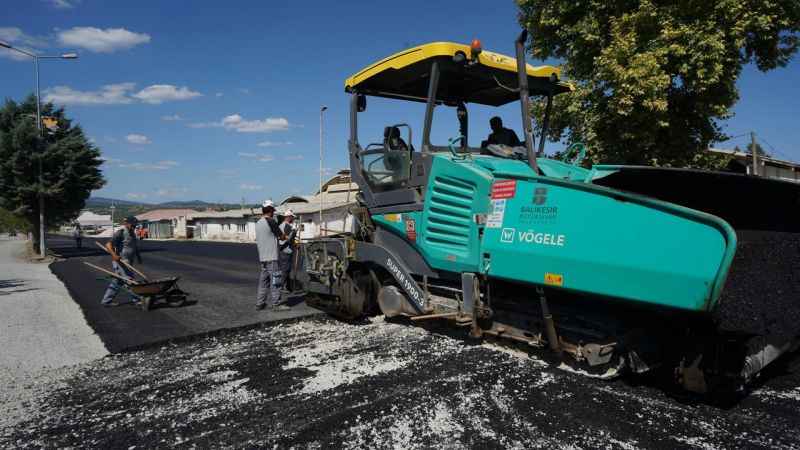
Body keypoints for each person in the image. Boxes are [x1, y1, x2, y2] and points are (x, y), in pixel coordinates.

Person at [255, 200, 290, 311]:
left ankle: (260, 303)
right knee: (276, 281)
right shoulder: (270, 221)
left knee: (263, 282)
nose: (273, 213)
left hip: (263, 258)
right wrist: (288, 236)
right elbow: (281, 236)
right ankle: (277, 304)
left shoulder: (258, 222)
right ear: (270, 210)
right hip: (272, 257)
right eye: (273, 211)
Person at [100, 216, 143, 307]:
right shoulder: (121, 232)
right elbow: (108, 245)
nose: (134, 227)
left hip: (129, 261)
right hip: (121, 261)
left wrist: (138, 256)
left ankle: (106, 301)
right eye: (132, 225)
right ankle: (137, 300)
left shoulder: (132, 233)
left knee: (117, 281)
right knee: (129, 279)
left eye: (135, 225)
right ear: (127, 223)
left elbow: (134, 246)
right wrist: (114, 255)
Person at [278, 210, 298, 293]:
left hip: (286, 250)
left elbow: (290, 239)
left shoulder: (285, 225)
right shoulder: (286, 226)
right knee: (285, 269)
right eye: (292, 217)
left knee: (287, 269)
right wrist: (294, 231)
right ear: (288, 217)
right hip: (285, 250)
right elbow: (288, 239)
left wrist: (295, 243)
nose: (293, 218)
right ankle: (280, 286)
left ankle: (287, 287)